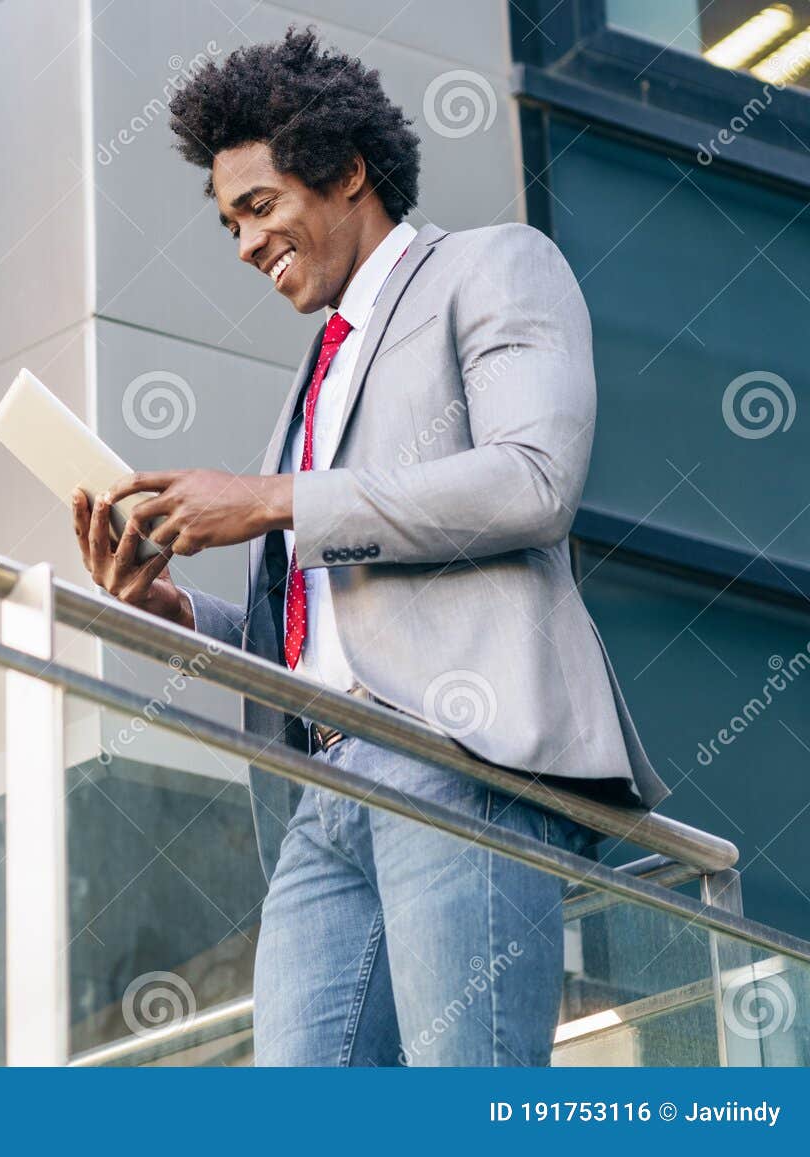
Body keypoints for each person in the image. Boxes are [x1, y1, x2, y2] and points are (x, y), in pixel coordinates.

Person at [70, 28, 667, 1067]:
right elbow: (313, 635)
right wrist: (174, 614)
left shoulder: (490, 264)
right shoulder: (316, 377)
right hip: (321, 799)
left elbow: (532, 478)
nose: (246, 244)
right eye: (229, 226)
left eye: (256, 207)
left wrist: (269, 499)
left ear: (346, 171)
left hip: (455, 756)